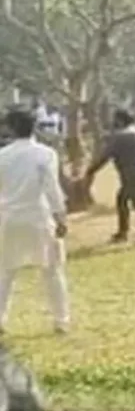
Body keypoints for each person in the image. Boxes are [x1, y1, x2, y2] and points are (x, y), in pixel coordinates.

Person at [0, 111, 70, 334]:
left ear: (10, 129)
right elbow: (52, 188)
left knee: (6, 271)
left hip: (9, 217)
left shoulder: (3, 155)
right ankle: (61, 320)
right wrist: (60, 215)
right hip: (39, 216)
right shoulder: (46, 154)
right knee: (52, 269)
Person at [85, 110, 135, 246]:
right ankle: (123, 232)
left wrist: (91, 170)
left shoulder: (118, 137)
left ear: (120, 121)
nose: (113, 123)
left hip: (130, 174)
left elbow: (105, 157)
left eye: (115, 120)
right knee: (122, 199)